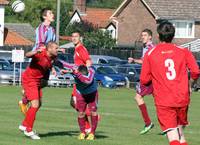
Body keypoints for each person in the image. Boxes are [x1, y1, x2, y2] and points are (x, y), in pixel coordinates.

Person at [140, 21, 200, 145]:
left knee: (172, 135)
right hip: (182, 98)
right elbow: (195, 71)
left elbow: (144, 80)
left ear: (158, 35)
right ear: (173, 35)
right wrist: (190, 84)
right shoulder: (183, 51)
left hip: (164, 99)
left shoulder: (150, 54)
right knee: (180, 135)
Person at [18, 8, 61, 115]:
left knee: (44, 82)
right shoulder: (42, 28)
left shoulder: (52, 29)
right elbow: (42, 45)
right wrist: (49, 61)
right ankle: (25, 98)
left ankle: (26, 96)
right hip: (39, 57)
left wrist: (56, 53)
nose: (53, 14)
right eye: (50, 13)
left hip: (47, 57)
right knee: (36, 82)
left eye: (52, 13)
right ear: (44, 17)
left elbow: (52, 45)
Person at [18, 42, 59, 140]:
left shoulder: (51, 57)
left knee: (39, 104)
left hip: (37, 81)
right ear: (49, 49)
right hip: (29, 80)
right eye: (56, 48)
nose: (57, 50)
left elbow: (49, 64)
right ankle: (29, 130)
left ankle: (24, 125)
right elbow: (27, 55)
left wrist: (53, 69)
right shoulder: (40, 54)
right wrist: (36, 51)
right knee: (35, 104)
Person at [61, 61, 99, 140]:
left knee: (93, 112)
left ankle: (92, 133)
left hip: (92, 94)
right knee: (81, 113)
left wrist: (76, 73)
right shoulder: (75, 69)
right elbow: (65, 64)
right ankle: (82, 132)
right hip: (80, 94)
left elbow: (87, 80)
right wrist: (55, 60)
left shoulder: (91, 71)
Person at [128, 29, 154, 134]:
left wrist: (134, 60)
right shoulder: (147, 47)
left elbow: (144, 62)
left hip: (148, 78)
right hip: (151, 77)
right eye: (142, 35)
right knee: (159, 101)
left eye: (145, 35)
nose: (143, 37)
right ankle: (169, 125)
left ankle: (148, 123)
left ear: (150, 37)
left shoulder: (149, 48)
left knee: (138, 97)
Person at [70, 32, 93, 133]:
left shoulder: (80, 49)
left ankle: (92, 115)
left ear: (80, 38)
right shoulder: (76, 50)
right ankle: (88, 127)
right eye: (73, 36)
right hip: (77, 80)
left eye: (76, 36)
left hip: (81, 81)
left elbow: (88, 62)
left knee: (77, 103)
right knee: (73, 103)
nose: (74, 38)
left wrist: (85, 75)